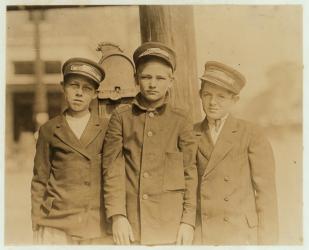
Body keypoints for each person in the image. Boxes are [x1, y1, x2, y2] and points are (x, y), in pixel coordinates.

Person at [102, 42, 198, 245]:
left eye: (160, 78)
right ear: (136, 79)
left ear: (171, 81)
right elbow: (112, 170)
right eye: (146, 77)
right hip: (131, 225)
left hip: (169, 225)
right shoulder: (121, 117)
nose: (153, 84)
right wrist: (118, 216)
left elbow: (190, 172)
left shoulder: (180, 119)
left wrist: (187, 222)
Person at [193, 61, 278, 245]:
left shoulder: (251, 133)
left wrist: (268, 243)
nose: (212, 102)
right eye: (207, 94)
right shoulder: (192, 134)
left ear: (234, 100)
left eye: (221, 96)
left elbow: (266, 195)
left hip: (240, 235)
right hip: (202, 235)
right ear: (200, 95)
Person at [31, 58, 112, 245]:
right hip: (56, 221)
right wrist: (37, 219)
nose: (79, 93)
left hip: (94, 221)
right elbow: (39, 179)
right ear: (63, 87)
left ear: (95, 94)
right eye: (74, 86)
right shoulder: (49, 129)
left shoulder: (107, 128)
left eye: (87, 89)